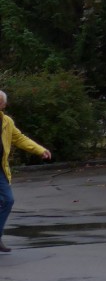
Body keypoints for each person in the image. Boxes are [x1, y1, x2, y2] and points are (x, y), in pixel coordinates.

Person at [0, 89, 52, 252]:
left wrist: (39, 150)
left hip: (0, 170)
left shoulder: (6, 122)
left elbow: (20, 138)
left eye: (0, 102)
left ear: (3, 105)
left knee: (8, 200)